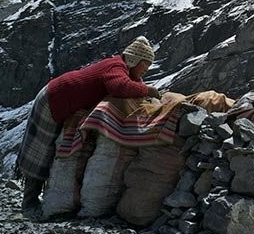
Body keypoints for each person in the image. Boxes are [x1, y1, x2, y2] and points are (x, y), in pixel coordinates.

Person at [16, 36, 160, 214]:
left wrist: (143, 90)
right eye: (145, 64)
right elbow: (120, 87)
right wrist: (148, 90)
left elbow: (130, 85)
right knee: (41, 151)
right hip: (53, 99)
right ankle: (29, 203)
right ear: (135, 60)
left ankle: (39, 199)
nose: (146, 69)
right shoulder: (115, 67)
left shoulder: (120, 68)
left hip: (61, 100)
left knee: (49, 150)